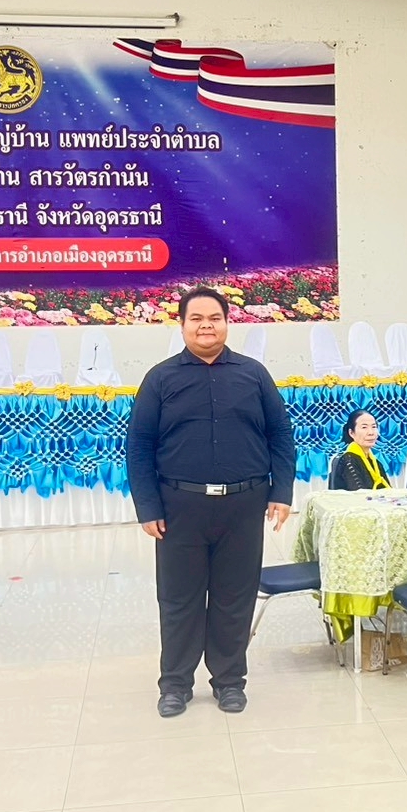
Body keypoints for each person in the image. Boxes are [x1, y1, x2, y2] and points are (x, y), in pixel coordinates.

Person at [125, 287, 297, 719]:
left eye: (214, 318)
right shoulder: (160, 379)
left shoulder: (253, 374)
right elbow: (139, 445)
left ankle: (229, 681)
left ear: (226, 322)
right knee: (178, 600)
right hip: (179, 507)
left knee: (234, 598)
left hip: (244, 504)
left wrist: (281, 491)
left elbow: (280, 434)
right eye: (196, 318)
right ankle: (175, 685)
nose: (206, 326)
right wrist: (148, 506)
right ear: (182, 324)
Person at [329, 410, 391, 490]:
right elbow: (360, 495)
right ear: (351, 433)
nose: (371, 432)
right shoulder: (348, 460)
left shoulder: (376, 463)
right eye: (364, 427)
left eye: (374, 427)